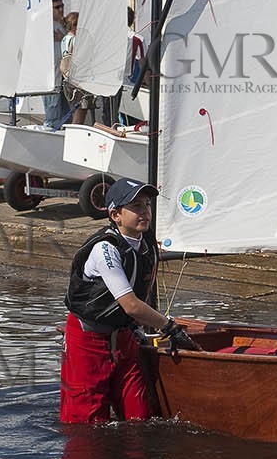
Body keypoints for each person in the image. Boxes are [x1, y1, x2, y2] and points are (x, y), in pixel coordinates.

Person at [60, 178, 199, 424]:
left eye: (146, 204)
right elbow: (131, 305)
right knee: (86, 423)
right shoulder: (106, 249)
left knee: (139, 417)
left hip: (124, 338)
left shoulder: (146, 244)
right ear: (115, 214)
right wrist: (171, 327)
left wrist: (138, 329)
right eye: (135, 206)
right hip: (88, 340)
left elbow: (138, 300)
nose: (145, 211)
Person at [61, 11, 94, 126]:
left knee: (75, 109)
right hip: (78, 80)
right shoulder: (75, 40)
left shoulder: (65, 39)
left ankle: (73, 132)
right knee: (81, 111)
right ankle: (74, 135)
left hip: (68, 79)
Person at [44, 0, 68, 129]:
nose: (61, 10)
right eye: (57, 7)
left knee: (64, 116)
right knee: (52, 116)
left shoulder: (64, 25)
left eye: (62, 6)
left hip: (64, 78)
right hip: (52, 79)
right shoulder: (45, 26)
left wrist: (63, 37)